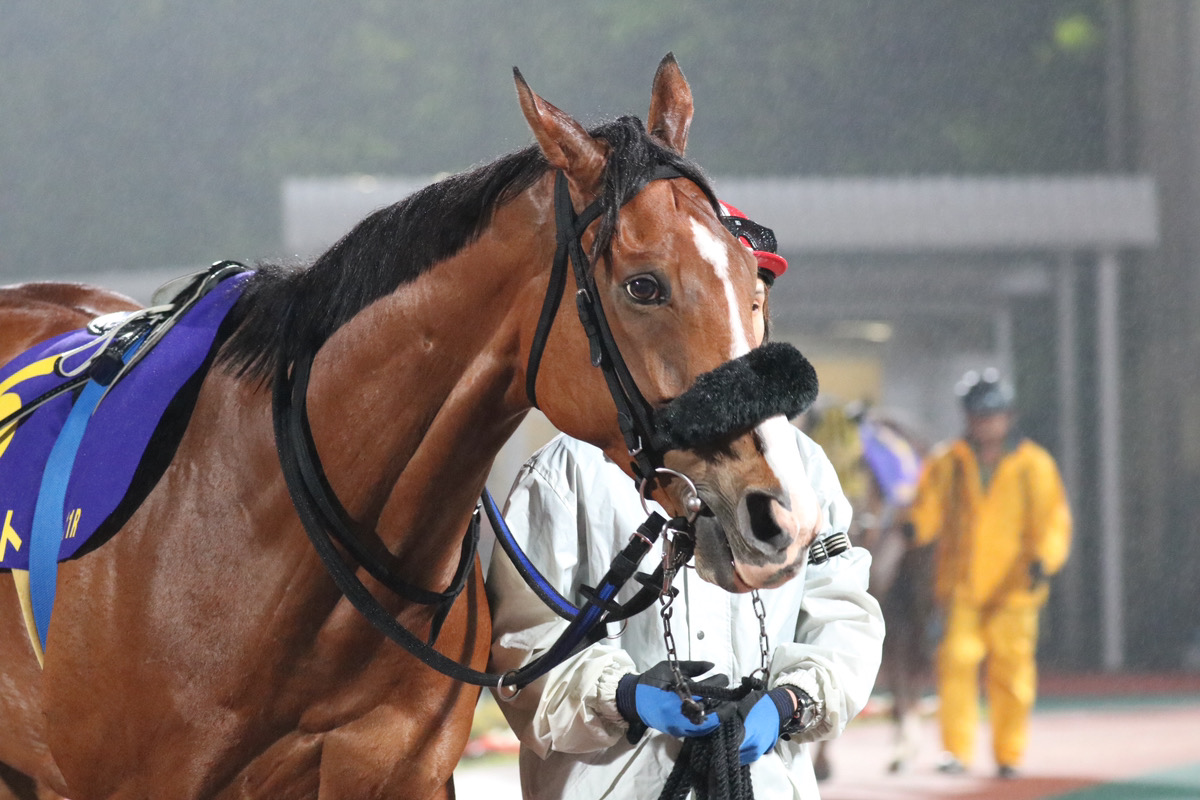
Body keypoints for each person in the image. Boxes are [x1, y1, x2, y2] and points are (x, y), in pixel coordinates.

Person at [486, 202, 885, 799]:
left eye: (755, 301)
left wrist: (791, 702)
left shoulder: (805, 470)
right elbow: (525, 646)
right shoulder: (566, 472)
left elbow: (844, 614)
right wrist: (627, 698)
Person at [906, 369, 1071, 779]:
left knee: (1012, 676)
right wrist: (915, 526)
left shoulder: (1034, 465)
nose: (985, 423)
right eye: (978, 415)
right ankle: (956, 752)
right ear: (968, 417)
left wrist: (1043, 559)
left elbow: (1053, 520)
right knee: (956, 666)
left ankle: (1008, 753)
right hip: (962, 586)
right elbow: (929, 505)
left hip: (1015, 588)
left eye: (992, 414)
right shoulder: (949, 461)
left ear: (1008, 416)